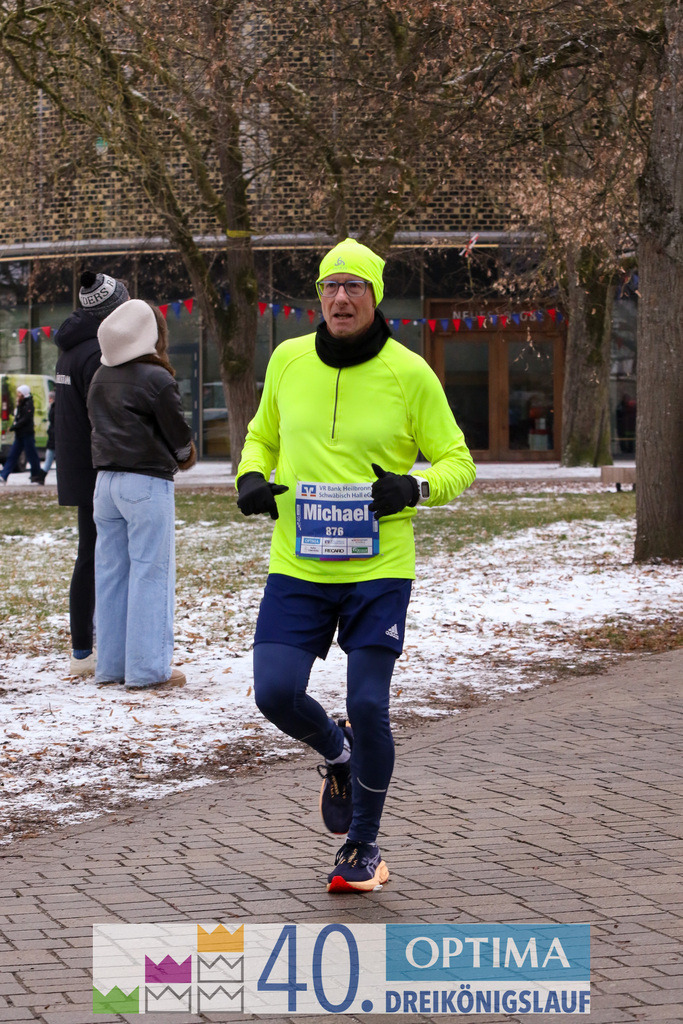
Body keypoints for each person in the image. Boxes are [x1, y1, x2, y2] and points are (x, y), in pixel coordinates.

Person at [236, 238, 476, 892]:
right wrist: (250, 476)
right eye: (330, 286)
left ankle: (362, 845)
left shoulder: (409, 373)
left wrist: (414, 487)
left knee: (368, 704)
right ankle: (336, 753)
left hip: (378, 570)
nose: (341, 298)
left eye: (355, 287)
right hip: (299, 565)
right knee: (274, 693)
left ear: (375, 296)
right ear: (319, 296)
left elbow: (457, 461)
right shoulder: (287, 360)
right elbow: (261, 436)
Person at [87, 299, 196, 690]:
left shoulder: (100, 375)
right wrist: (185, 456)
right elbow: (178, 435)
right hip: (146, 482)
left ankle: (111, 666)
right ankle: (147, 670)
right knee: (151, 572)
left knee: (111, 576)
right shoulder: (156, 378)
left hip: (105, 484)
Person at [54, 269, 131, 676]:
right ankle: (87, 650)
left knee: (91, 554)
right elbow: (105, 414)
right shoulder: (96, 353)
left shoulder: (71, 349)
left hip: (78, 463)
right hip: (97, 466)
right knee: (97, 556)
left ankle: (85, 646)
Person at [0, 384, 46, 485]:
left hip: (27, 434)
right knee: (12, 455)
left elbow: (25, 419)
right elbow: (18, 417)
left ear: (24, 393)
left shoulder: (28, 404)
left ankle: (36, 475)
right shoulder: (22, 403)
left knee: (31, 455)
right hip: (20, 435)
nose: (18, 394)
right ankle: (4, 475)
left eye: (19, 393)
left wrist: (14, 427)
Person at [42, 391, 56, 475]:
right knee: (50, 455)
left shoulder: (54, 407)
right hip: (53, 434)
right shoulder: (54, 407)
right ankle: (43, 473)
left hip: (53, 435)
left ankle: (43, 473)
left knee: (50, 455)